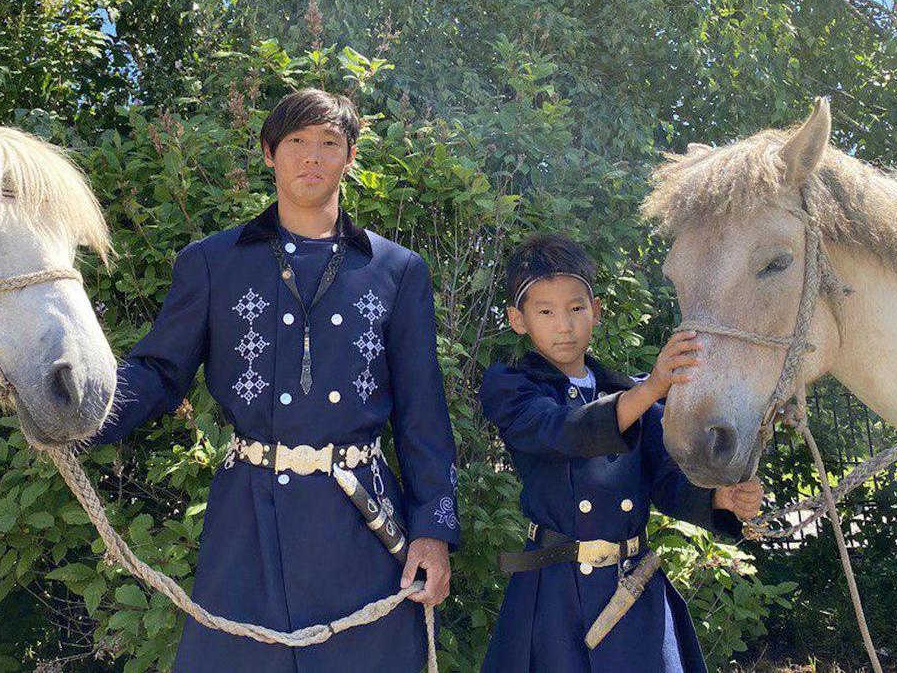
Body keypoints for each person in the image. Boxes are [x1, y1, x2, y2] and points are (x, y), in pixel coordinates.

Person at [93, 88, 459, 671]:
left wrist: (432, 531)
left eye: (328, 144)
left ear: (350, 156)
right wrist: (78, 412)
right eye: (296, 142)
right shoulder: (213, 262)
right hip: (248, 523)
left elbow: (422, 414)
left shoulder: (397, 270)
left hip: (361, 525)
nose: (311, 157)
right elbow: (160, 374)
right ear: (270, 153)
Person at [479, 233, 763, 672]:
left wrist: (718, 499)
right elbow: (561, 432)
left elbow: (664, 480)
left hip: (633, 591)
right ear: (519, 320)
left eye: (576, 308)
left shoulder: (626, 394)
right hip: (553, 598)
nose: (564, 325)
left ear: (596, 311)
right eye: (546, 311)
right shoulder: (511, 387)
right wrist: (652, 388)